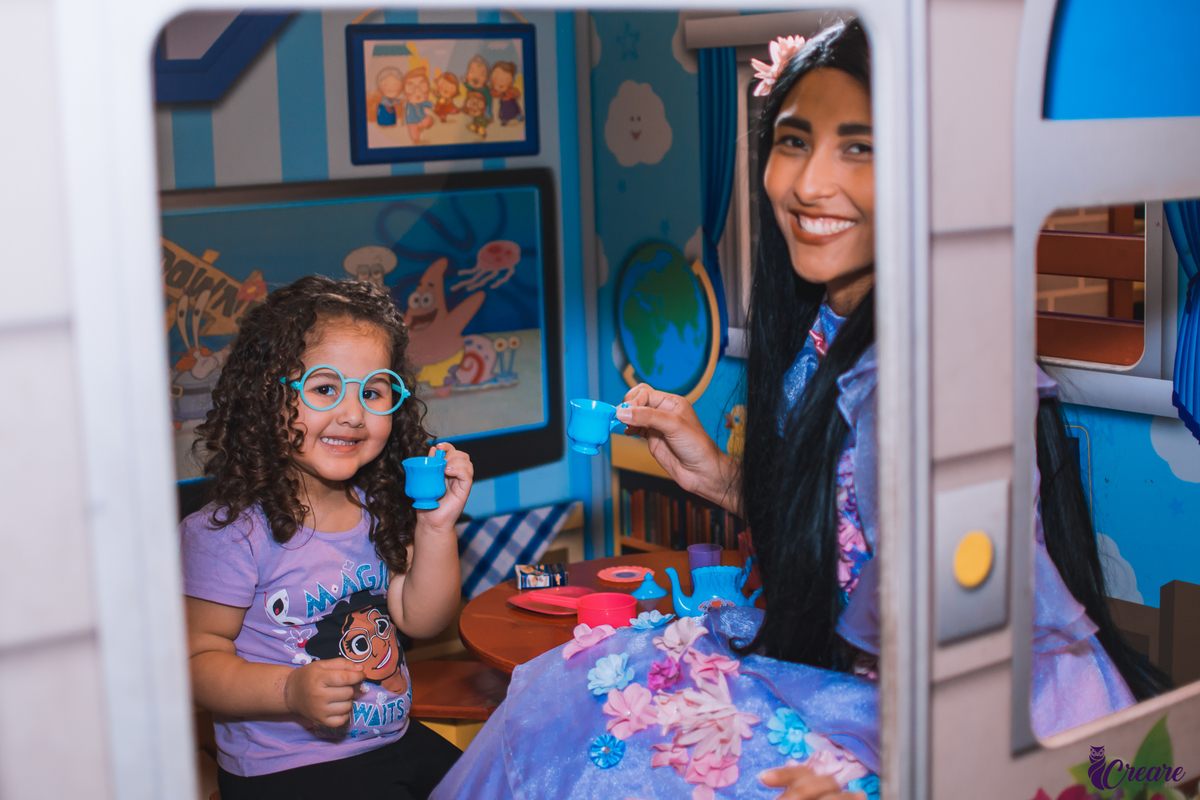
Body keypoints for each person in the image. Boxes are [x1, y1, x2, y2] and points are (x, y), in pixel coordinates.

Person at [432, 18, 1168, 800]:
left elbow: (977, 641)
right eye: (793, 140)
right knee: (592, 684)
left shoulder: (936, 372)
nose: (811, 184)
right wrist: (720, 476)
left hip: (972, 732)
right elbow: (852, 529)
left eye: (861, 146)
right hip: (868, 692)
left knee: (600, 711)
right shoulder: (834, 327)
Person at [182, 276, 473, 800]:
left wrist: (435, 526)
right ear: (267, 396)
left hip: (390, 741)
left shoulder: (381, 503)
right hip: (285, 767)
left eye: (373, 391)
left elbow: (423, 620)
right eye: (323, 388)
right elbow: (196, 661)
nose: (353, 414)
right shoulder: (228, 533)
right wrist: (290, 690)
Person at [403, 68, 435, 145]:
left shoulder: (419, 102)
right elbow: (411, 115)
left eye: (422, 86)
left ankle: (421, 127)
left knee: (428, 120)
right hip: (412, 121)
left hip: (422, 117)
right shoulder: (410, 106)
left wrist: (431, 106)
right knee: (414, 131)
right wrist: (418, 123)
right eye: (411, 88)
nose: (417, 91)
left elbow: (425, 103)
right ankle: (416, 139)